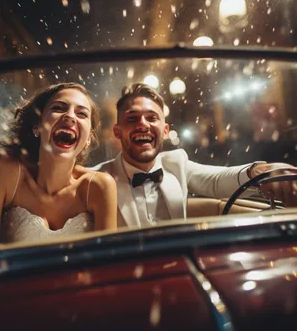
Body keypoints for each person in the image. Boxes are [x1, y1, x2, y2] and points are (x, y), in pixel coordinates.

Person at [92, 83, 297, 228]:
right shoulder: (96, 179)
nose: (143, 124)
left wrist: (258, 172)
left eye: (151, 118)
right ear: (117, 132)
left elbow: (218, 180)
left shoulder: (176, 163)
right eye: (132, 118)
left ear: (164, 130)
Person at [0, 83, 117, 248]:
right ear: (37, 125)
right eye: (59, 108)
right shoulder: (2, 168)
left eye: (81, 113)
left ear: (88, 138)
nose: (70, 116)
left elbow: (106, 263)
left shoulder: (99, 186)